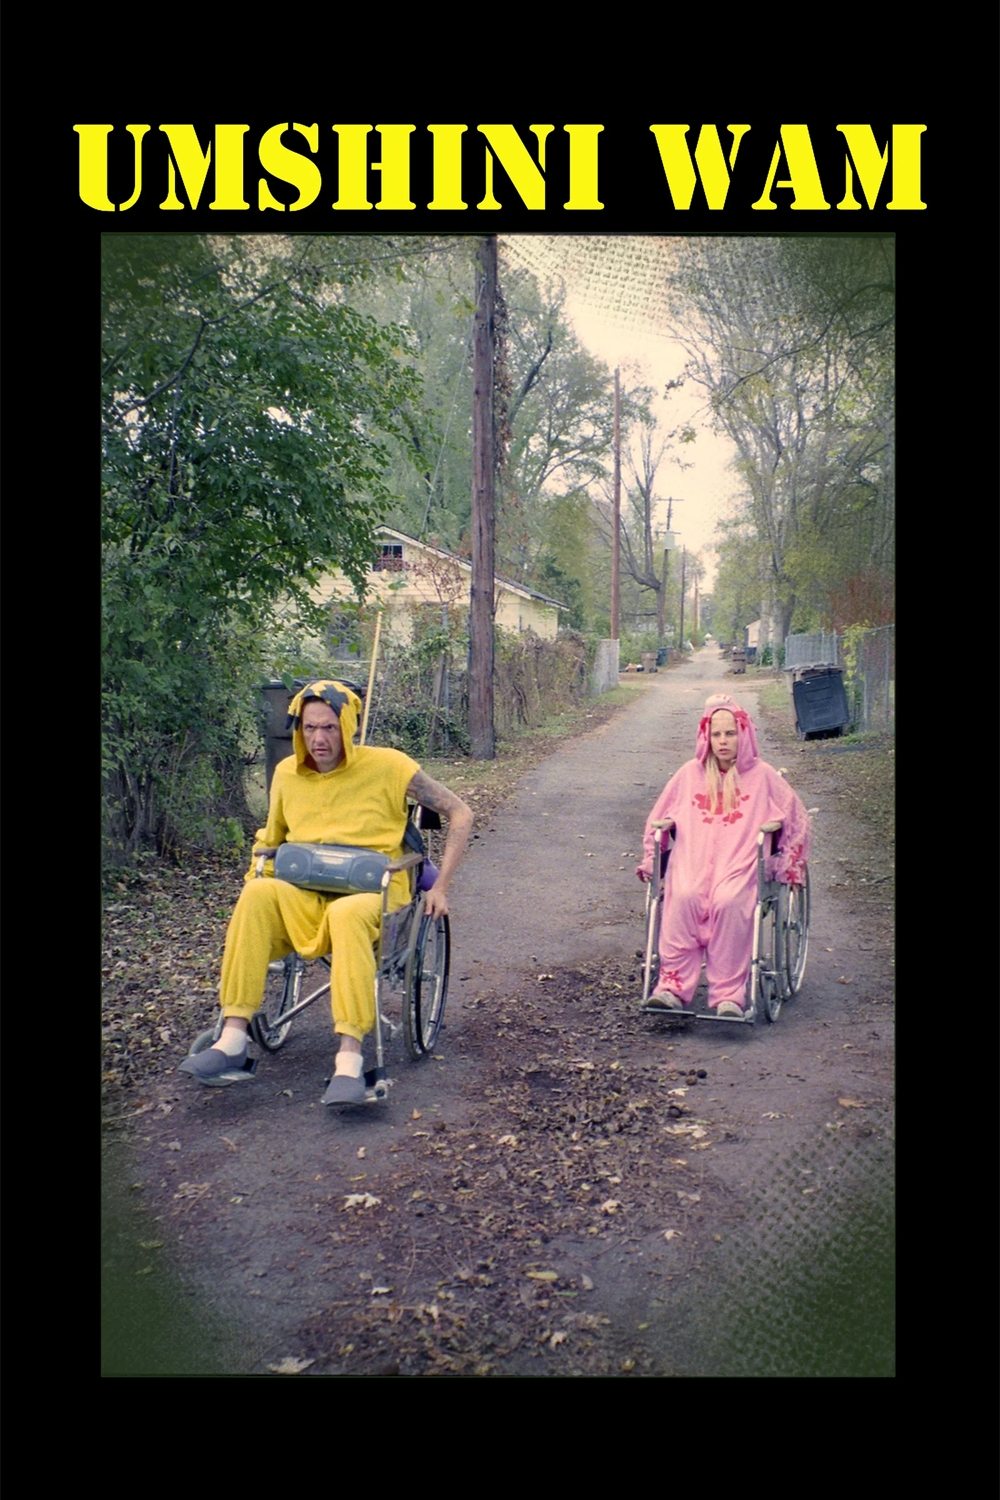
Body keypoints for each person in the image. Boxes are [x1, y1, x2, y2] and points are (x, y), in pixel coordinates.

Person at [179, 679, 473, 1104]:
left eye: (330, 728)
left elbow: (460, 813)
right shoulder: (287, 774)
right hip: (307, 893)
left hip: (375, 895)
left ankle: (350, 1059)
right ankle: (233, 1038)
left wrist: (440, 887)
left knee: (346, 913)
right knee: (257, 895)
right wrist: (255, 877)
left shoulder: (390, 766)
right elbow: (271, 839)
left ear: (348, 726)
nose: (318, 739)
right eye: (310, 727)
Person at [637, 693, 810, 1017]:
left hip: (740, 865)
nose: (723, 741)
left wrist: (787, 864)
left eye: (730, 733)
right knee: (683, 896)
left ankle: (729, 996)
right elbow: (657, 818)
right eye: (716, 734)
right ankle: (671, 988)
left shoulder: (763, 776)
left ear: (744, 733)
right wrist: (652, 857)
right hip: (692, 862)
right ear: (706, 736)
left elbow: (797, 818)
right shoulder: (688, 774)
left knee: (729, 902)